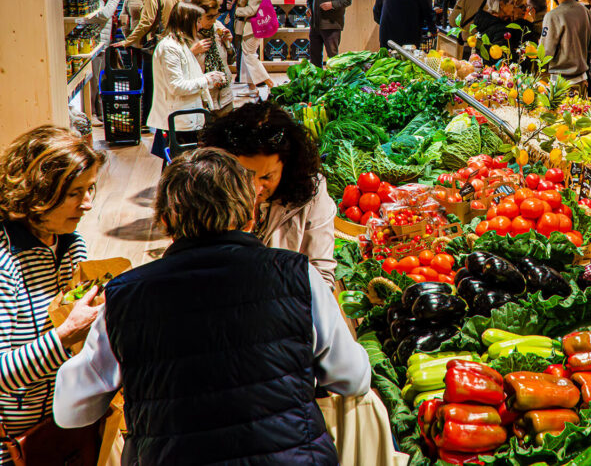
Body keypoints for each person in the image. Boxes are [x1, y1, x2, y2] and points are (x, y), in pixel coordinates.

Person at [53, 148, 371, 464]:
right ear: (250, 216)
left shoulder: (124, 298)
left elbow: (70, 410)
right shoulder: (298, 275)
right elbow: (353, 377)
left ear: (164, 221)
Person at [0, 126, 106, 461]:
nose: (87, 204)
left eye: (90, 189)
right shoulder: (5, 263)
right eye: (75, 192)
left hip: (67, 427)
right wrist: (64, 336)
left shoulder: (72, 243)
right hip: (16, 445)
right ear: (39, 192)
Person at [200, 101, 340, 285]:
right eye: (244, 175)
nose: (255, 188)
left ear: (288, 166)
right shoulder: (209, 191)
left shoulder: (311, 193)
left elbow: (322, 275)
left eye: (267, 177)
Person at [147, 2, 225, 161]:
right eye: (196, 21)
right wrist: (207, 80)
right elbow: (176, 86)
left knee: (180, 166)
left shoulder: (179, 45)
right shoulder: (170, 47)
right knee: (179, 165)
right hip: (179, 119)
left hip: (186, 117)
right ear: (187, 21)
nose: (199, 26)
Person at [117, 0, 184, 123]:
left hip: (155, 46)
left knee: (150, 85)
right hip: (174, 43)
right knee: (170, 83)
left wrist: (127, 41)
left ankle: (149, 121)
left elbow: (145, 23)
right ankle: (170, 119)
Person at [541, 0, 591, 94]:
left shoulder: (552, 16)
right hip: (582, 82)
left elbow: (545, 53)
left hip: (560, 85)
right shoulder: (585, 11)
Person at [192, 0, 235, 116]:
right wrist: (192, 52)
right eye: (209, 17)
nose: (213, 20)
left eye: (215, 16)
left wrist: (228, 43)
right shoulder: (188, 35)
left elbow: (231, 60)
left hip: (224, 97)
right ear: (196, 15)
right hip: (203, 101)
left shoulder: (218, 27)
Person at [235, 0, 275, 95]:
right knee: (247, 56)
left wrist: (238, 10)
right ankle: (251, 87)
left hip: (252, 28)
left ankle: (269, 82)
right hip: (256, 27)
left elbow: (252, 9)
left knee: (250, 56)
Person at [305, 0, 352, 68]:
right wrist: (309, 7)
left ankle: (333, 80)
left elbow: (347, 0)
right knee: (314, 56)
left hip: (331, 26)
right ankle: (316, 79)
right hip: (315, 25)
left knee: (333, 57)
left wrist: (332, 5)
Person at [223, 0, 255, 82]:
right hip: (237, 17)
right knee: (240, 46)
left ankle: (242, 75)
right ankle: (241, 76)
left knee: (243, 46)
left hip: (242, 16)